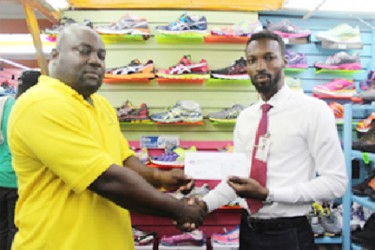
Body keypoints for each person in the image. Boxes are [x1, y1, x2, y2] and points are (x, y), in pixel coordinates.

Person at [8, 24, 204, 250]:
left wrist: (159, 177)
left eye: (101, 55)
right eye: (83, 51)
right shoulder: (40, 103)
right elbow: (105, 180)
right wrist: (178, 209)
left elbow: (122, 161)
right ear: (55, 55)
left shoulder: (101, 105)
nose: (95, 61)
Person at [196, 30, 348, 249]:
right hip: (248, 231)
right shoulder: (246, 118)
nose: (260, 66)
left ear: (284, 61)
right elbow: (237, 181)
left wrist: (269, 195)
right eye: (252, 60)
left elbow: (336, 183)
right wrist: (202, 205)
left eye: (269, 57)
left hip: (289, 235)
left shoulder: (314, 111)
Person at [0, 69, 40, 250]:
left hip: (0, 176)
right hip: (20, 180)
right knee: (17, 230)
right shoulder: (35, 108)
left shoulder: (3, 104)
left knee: (1, 228)